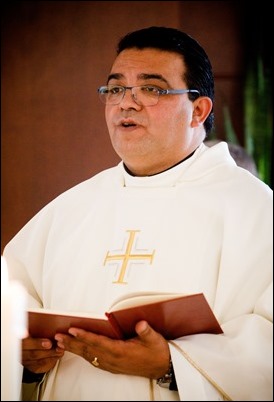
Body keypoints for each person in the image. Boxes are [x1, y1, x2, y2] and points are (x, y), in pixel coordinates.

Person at [3, 26, 272, 401]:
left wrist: (173, 363)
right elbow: (13, 303)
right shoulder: (69, 209)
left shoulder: (257, 210)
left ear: (198, 110)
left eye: (152, 89)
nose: (126, 103)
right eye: (115, 89)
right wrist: (24, 355)